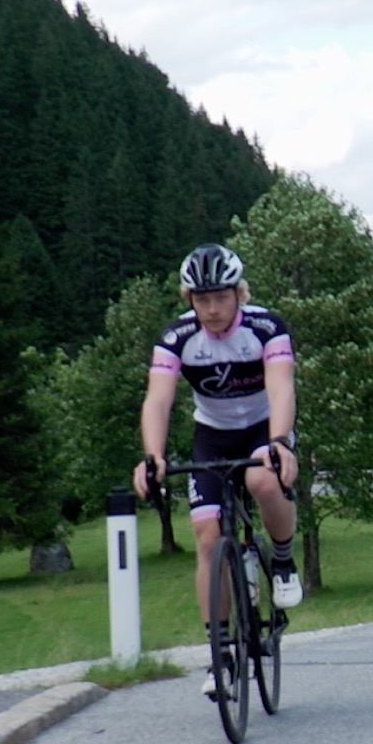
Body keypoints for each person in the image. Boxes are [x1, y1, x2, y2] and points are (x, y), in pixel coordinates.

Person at [131, 244, 303, 679]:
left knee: (263, 482)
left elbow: (282, 388)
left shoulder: (267, 327)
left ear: (239, 294)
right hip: (212, 435)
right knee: (207, 537)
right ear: (190, 299)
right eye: (202, 299)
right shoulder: (176, 338)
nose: (212, 309)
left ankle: (282, 559)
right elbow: (159, 399)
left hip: (264, 427)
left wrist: (280, 442)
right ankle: (220, 650)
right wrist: (152, 456)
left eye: (221, 298)